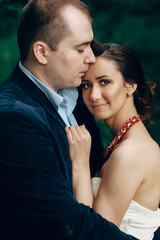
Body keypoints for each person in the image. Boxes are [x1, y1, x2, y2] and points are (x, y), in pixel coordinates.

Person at [0, 0, 139, 239]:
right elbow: (65, 220)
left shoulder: (75, 96)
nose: (92, 58)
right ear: (42, 52)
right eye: (80, 48)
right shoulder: (15, 118)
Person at [65, 42, 160, 240]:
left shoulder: (132, 152)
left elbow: (96, 234)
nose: (94, 95)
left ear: (130, 85)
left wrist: (80, 164)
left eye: (105, 82)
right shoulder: (125, 142)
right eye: (87, 85)